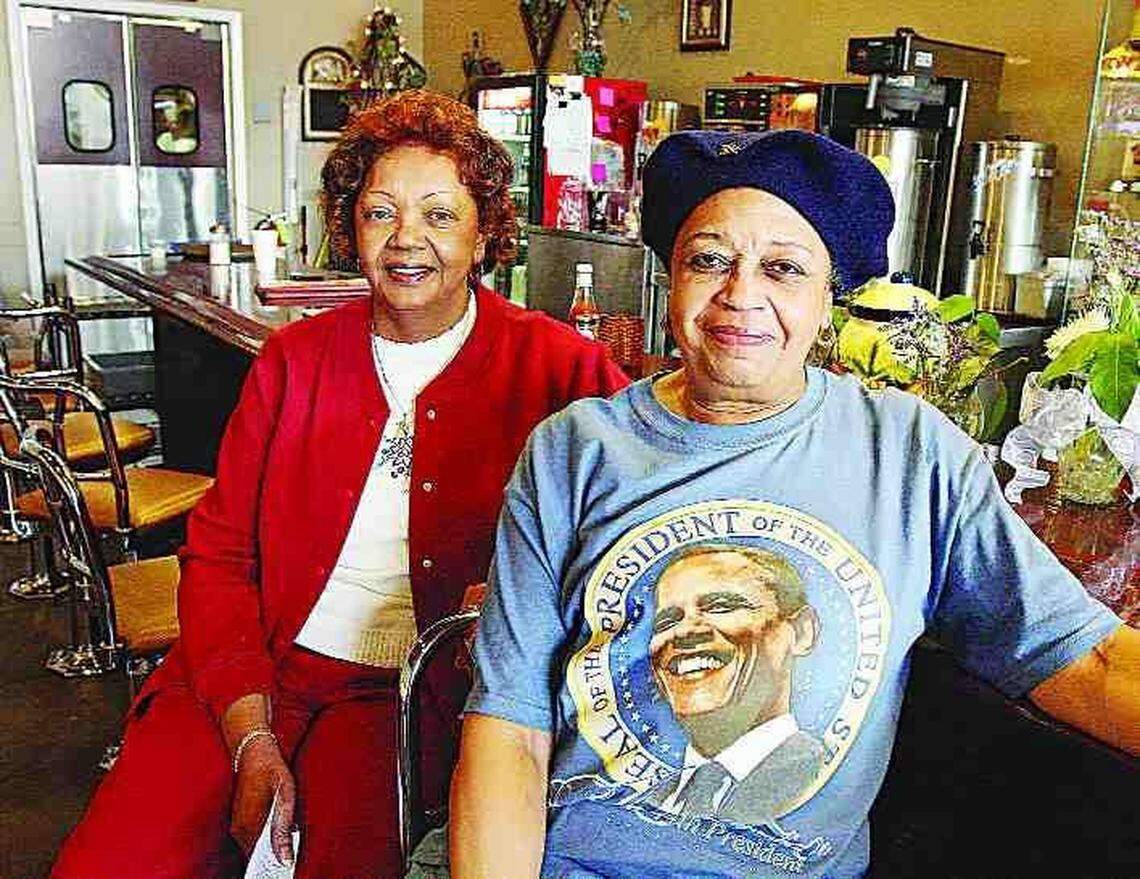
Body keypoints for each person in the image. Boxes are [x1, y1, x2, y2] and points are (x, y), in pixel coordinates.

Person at [449, 129, 1140, 879]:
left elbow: (1085, 657)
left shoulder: (908, 453)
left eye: (783, 268)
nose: (740, 294)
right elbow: (509, 730)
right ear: (671, 279)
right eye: (709, 260)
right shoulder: (575, 449)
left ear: (827, 299)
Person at [50, 89, 628, 879]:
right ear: (352, 230)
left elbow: (624, 536)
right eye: (380, 212)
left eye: (439, 214)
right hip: (247, 664)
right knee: (111, 862)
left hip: (407, 698)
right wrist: (251, 735)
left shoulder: (561, 368)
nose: (406, 239)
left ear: (485, 232)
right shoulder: (293, 360)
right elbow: (219, 555)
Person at [642, 544, 822, 824]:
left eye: (720, 606)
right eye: (666, 621)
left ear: (801, 632)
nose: (684, 631)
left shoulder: (822, 775)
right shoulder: (646, 797)